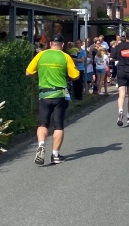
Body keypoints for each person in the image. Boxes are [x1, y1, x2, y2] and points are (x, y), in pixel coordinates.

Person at [25, 34, 79, 165]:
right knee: (58, 125)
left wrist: (40, 72)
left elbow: (28, 72)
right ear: (63, 45)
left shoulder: (41, 55)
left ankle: (41, 144)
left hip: (44, 94)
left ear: (50, 44)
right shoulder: (66, 57)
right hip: (60, 94)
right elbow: (75, 76)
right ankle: (55, 155)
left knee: (43, 123)